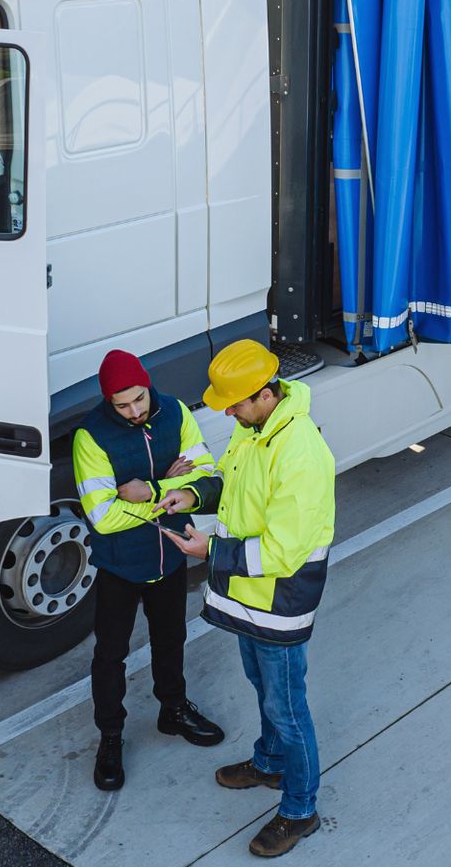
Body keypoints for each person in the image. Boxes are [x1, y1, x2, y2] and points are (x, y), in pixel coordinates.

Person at [159, 340, 335, 859]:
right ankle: (270, 764)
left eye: (234, 403)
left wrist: (209, 551)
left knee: (288, 708)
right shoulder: (254, 428)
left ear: (265, 394)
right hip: (247, 594)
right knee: (263, 687)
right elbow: (235, 488)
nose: (228, 413)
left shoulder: (300, 452)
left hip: (279, 600)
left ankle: (300, 810)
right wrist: (193, 495)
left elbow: (283, 550)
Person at [73, 349, 226, 791]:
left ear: (147, 384)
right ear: (108, 401)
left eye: (139, 399)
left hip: (171, 555)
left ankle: (172, 710)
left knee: (171, 638)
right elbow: (103, 518)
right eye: (122, 405)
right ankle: (111, 735)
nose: (134, 411)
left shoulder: (176, 412)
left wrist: (151, 489)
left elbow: (208, 476)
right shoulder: (91, 436)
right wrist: (174, 484)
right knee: (111, 655)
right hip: (120, 565)